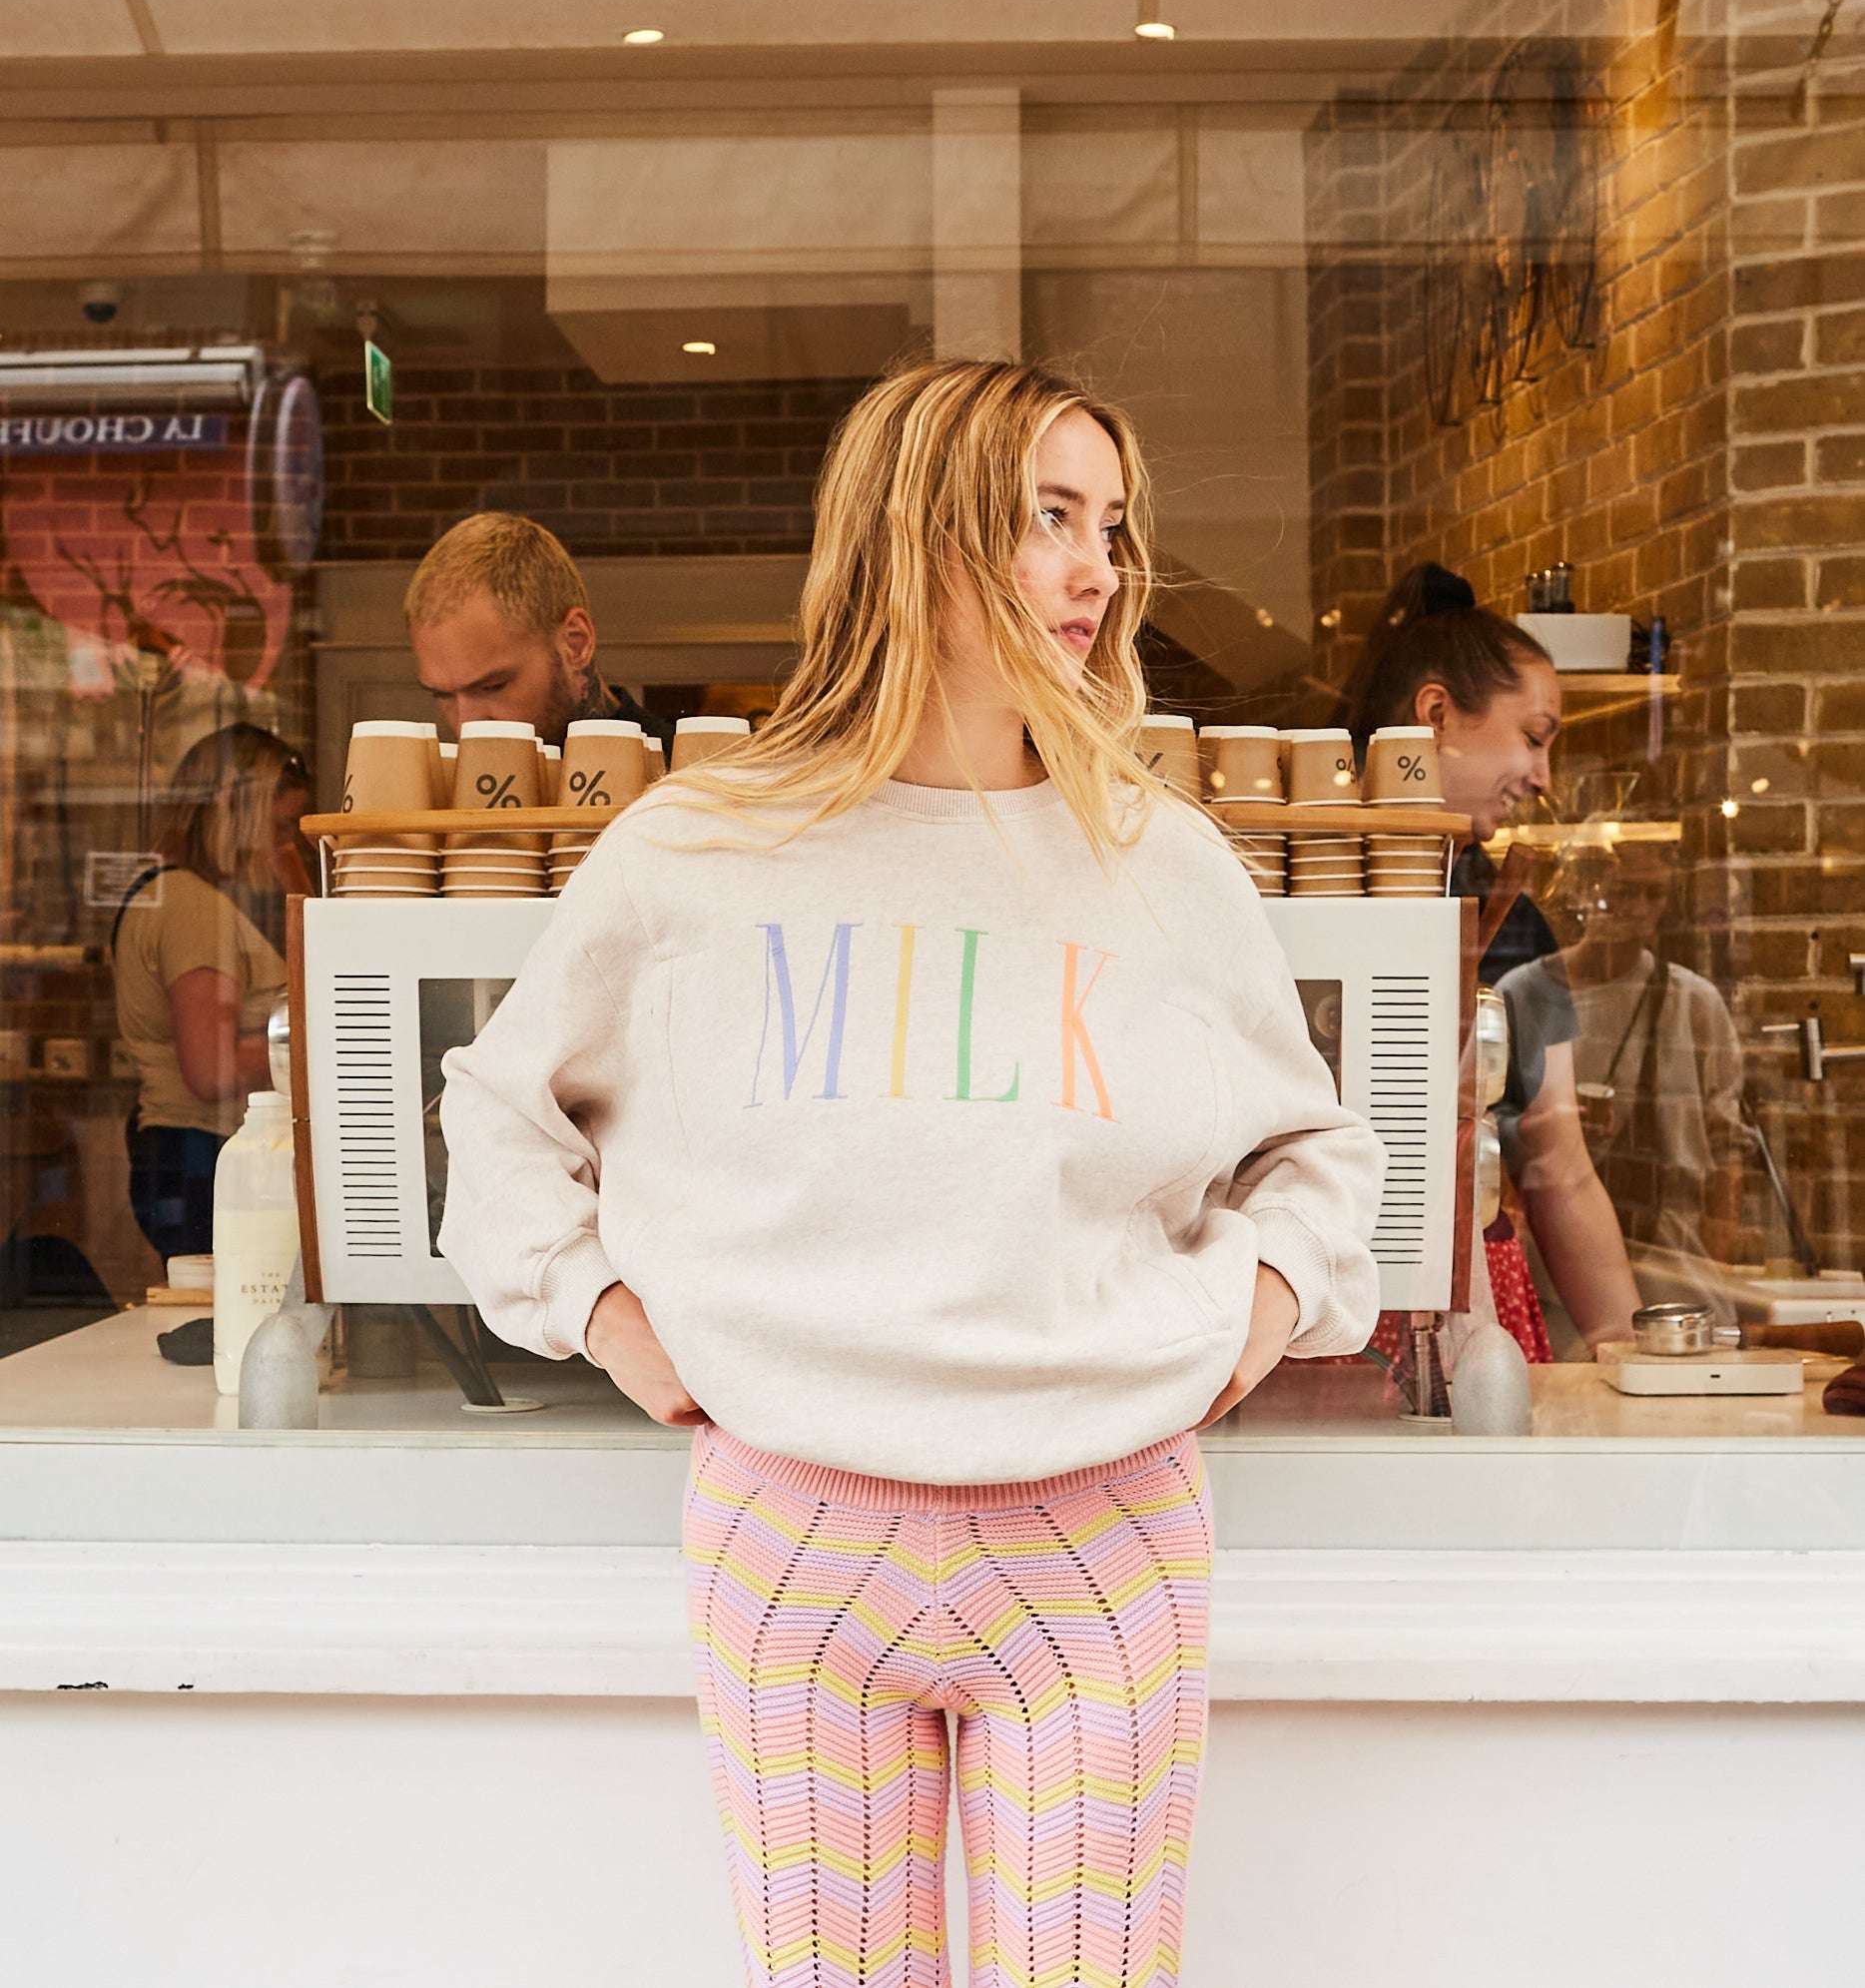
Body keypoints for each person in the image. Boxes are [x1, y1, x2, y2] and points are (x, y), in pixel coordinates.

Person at [435, 358, 1385, 1988]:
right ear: (918, 531)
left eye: (1109, 524)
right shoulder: (696, 850)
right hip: (795, 1529)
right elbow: (500, 1112)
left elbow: (1315, 1144)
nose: (1096, 567)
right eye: (1046, 519)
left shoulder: (1159, 859)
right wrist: (599, 1311)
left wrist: (1255, 1313)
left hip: (1102, 1529)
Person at [1337, 562, 1638, 1359]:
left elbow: (1559, 1162)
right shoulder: (1297, 888)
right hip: (1317, 1292)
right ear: (1436, 713)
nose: (1543, 778)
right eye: (1534, 739)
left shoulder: (1515, 927)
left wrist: (1621, 1344)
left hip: (1478, 1309)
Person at [1504, 838, 1746, 1292]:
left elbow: (1727, 1140)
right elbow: (1482, 1123)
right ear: (1583, 893)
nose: (1638, 908)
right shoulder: (1523, 994)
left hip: (1670, 1249)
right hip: (1553, 1250)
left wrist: (1718, 1255)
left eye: (1654, 894)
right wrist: (1538, 1132)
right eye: (1623, 891)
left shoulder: (1692, 1001)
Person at [110, 725, 310, 1263]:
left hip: (187, 1152)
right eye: (280, 825)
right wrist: (317, 1040)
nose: (284, 843)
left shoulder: (168, 891)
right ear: (235, 811)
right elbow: (211, 1068)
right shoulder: (189, 905)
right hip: (200, 1153)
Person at [402, 511, 675, 750]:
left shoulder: (685, 785)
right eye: (443, 695)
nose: (465, 728)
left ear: (575, 644)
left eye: (492, 686)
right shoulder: (443, 795)